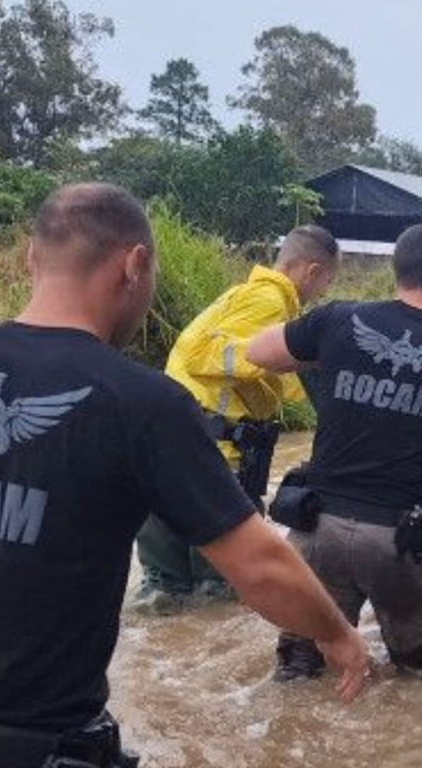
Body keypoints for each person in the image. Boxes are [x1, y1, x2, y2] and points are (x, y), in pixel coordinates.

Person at [0, 183, 368, 767]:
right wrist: (338, 635)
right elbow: (260, 569)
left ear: (32, 256)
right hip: (35, 743)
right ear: (134, 266)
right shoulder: (141, 403)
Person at [247, 223, 422, 681]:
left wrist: (325, 357)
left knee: (299, 671)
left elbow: (257, 351)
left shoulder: (339, 320)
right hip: (401, 540)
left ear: (397, 272)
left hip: (317, 528)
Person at [134, 224, 339, 610]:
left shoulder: (244, 294)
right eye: (326, 282)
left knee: (164, 593)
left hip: (172, 453)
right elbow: (204, 353)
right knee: (222, 595)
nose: (322, 293)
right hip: (215, 455)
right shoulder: (271, 302)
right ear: (311, 272)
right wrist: (277, 357)